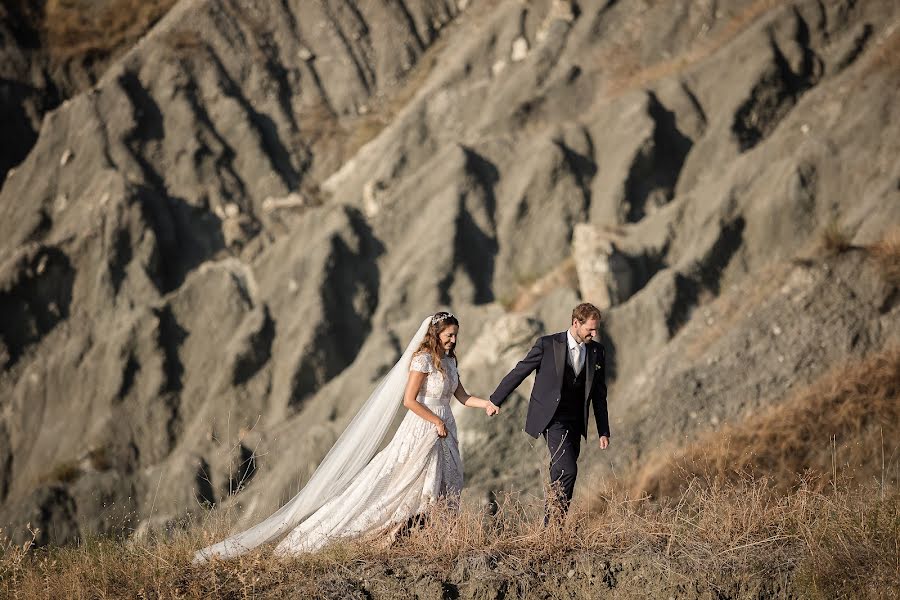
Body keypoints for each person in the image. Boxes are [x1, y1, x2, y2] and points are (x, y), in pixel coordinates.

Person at [194, 312, 497, 561]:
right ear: (436, 334)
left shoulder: (451, 362)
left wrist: (486, 403)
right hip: (423, 427)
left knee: (447, 480)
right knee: (407, 481)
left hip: (445, 428)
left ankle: (435, 538)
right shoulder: (422, 361)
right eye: (449, 335)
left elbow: (461, 395)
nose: (453, 340)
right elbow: (409, 400)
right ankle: (394, 533)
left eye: (455, 335)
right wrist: (434, 421)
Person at [489, 303, 610, 519]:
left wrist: (603, 430)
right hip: (552, 418)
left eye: (596, 329)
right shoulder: (547, 344)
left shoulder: (596, 351)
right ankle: (555, 526)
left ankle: (551, 530)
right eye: (590, 329)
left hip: (576, 421)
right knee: (568, 470)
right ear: (575, 323)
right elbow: (520, 371)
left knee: (559, 472)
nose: (595, 333)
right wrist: (495, 400)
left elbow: (599, 395)